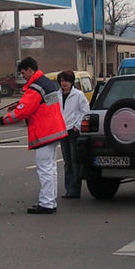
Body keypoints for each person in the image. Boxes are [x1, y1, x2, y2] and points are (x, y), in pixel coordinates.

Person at [0, 57, 67, 214]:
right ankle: (50, 201)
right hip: (54, 130)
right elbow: (40, 105)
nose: (23, 76)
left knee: (45, 169)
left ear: (29, 70)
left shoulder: (35, 87)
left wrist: (0, 120)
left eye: (23, 73)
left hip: (44, 132)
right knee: (51, 168)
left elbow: (23, 112)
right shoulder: (47, 83)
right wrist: (20, 104)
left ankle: (47, 203)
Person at [58, 70, 89, 199]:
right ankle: (68, 189)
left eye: (66, 81)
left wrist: (77, 125)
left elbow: (85, 111)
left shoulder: (78, 95)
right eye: (61, 81)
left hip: (73, 131)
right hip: (62, 130)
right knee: (67, 161)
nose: (63, 83)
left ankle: (74, 190)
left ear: (71, 82)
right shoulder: (57, 95)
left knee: (74, 161)